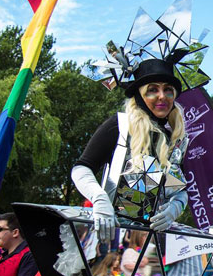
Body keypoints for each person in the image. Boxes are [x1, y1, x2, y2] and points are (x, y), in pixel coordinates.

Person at [71, 58, 188, 243]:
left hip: (145, 243)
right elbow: (81, 168)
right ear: (140, 95)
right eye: (153, 90)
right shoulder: (119, 125)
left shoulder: (174, 139)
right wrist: (99, 199)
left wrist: (174, 208)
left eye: (168, 90)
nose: (162, 96)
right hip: (106, 235)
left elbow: (179, 189)